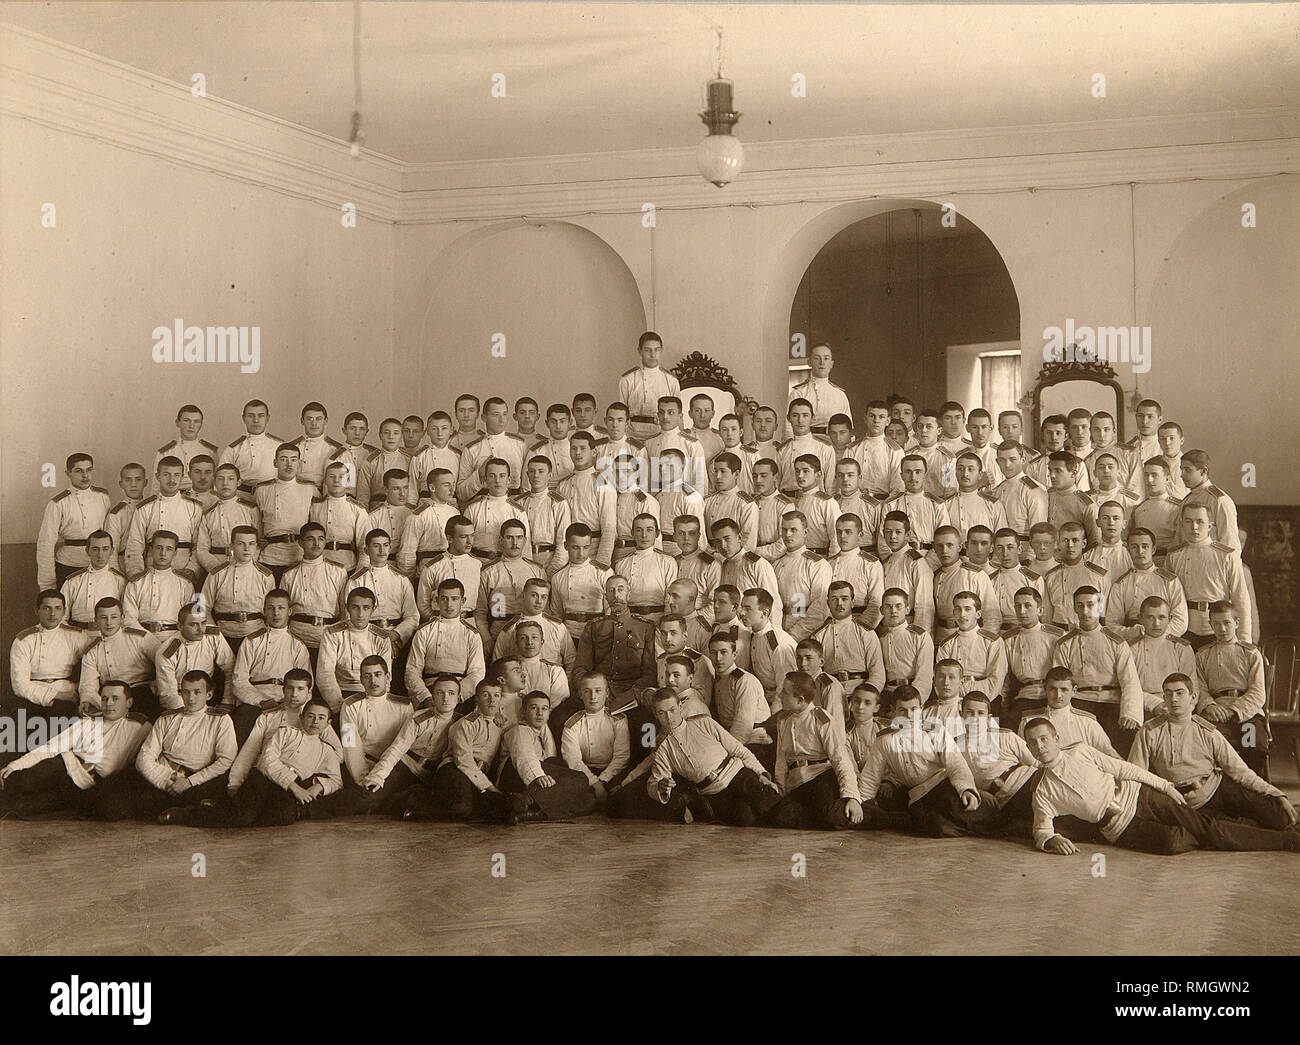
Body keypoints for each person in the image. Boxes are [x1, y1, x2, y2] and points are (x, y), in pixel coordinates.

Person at [1025, 716, 1297, 855]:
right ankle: (1232, 830)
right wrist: (1052, 840)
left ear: (1056, 738)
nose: (1040, 746)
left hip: (1142, 796)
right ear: (1028, 747)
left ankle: (1285, 841)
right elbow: (1041, 829)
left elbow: (1126, 769)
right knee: (1172, 843)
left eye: (1044, 739)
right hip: (1120, 826)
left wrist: (1165, 786)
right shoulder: (1043, 791)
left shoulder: (1080, 751)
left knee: (1208, 830)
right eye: (1033, 742)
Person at [1130, 672, 1296, 832]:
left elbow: (1239, 771)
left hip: (1218, 787)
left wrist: (1276, 794)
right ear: (1164, 698)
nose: (1174, 699)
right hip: (1187, 801)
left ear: (1193, 698)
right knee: (1222, 831)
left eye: (1180, 693)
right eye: (1168, 694)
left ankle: (1244, 823)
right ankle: (1240, 825)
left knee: (1280, 816)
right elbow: (1136, 773)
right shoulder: (1149, 731)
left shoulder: (1206, 730)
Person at [89, 670, 236, 823]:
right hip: (161, 776)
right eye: (186, 692)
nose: (191, 698)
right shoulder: (167, 718)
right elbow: (144, 757)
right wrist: (166, 779)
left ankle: (182, 810)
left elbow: (225, 760)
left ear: (209, 695)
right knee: (107, 805)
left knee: (211, 802)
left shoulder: (220, 720)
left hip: (195, 779)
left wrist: (189, 782)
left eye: (197, 692)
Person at [182, 696, 342, 827]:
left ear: (328, 723)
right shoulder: (285, 732)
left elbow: (336, 780)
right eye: (310, 716)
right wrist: (294, 787)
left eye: (321, 718)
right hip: (263, 779)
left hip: (286, 790)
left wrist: (318, 787)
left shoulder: (327, 751)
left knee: (283, 817)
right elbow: (267, 760)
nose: (315, 722)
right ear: (301, 717)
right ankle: (189, 814)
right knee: (242, 817)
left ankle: (224, 809)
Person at [0, 680, 149, 818]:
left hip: (85, 784)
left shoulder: (141, 726)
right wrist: (15, 765)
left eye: (115, 698)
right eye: (104, 698)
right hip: (64, 764)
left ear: (129, 702)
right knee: (22, 781)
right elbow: (51, 747)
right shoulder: (88, 722)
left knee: (21, 808)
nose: (108, 703)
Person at [852, 686, 980, 837]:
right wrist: (860, 804)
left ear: (921, 708)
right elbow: (870, 777)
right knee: (936, 827)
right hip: (917, 795)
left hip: (942, 785)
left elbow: (956, 763)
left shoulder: (935, 731)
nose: (909, 715)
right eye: (902, 710)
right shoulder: (884, 740)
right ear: (893, 711)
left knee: (963, 810)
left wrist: (966, 789)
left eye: (914, 709)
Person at [643, 687, 781, 826]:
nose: (669, 717)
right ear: (655, 715)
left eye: (672, 710)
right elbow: (653, 783)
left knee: (770, 805)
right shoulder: (662, 749)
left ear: (680, 706)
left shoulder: (704, 723)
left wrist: (761, 773)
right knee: (745, 818)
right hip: (714, 793)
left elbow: (739, 750)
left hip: (738, 775)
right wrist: (661, 786)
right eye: (662, 713)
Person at [767, 671, 862, 829]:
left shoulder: (821, 719)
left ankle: (874, 815)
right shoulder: (783, 720)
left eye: (785, 692)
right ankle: (824, 817)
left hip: (821, 778)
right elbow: (781, 760)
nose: (779, 695)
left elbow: (840, 758)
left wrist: (852, 797)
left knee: (832, 817)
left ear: (800, 700)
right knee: (780, 817)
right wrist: (781, 791)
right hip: (798, 783)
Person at [1051, 586, 1144, 747]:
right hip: (1080, 702)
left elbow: (1130, 681)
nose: (1085, 611)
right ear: (1074, 608)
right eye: (1080, 606)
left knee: (1121, 747)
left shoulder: (1116, 642)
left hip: (1111, 702)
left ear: (1100, 607)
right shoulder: (1065, 644)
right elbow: (1059, 682)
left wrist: (1129, 713)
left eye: (1090, 605)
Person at [411, 679, 509, 822]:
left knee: (495, 809)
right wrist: (489, 787)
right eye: (485, 695)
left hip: (477, 774)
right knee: (462, 808)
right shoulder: (466, 723)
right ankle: (415, 797)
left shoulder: (501, 724)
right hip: (454, 770)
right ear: (476, 699)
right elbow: (463, 760)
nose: (491, 700)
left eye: (496, 695)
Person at [496, 692, 598, 824]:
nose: (539, 713)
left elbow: (550, 759)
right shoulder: (519, 730)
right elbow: (524, 756)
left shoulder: (542, 732)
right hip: (515, 776)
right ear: (523, 712)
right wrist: (537, 776)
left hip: (535, 778)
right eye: (534, 708)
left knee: (589, 800)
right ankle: (525, 799)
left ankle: (529, 813)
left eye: (544, 709)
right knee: (581, 778)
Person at [1194, 601, 1268, 777]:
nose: (1222, 628)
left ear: (1236, 623)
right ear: (1211, 625)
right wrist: (1210, 706)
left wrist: (1234, 711)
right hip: (1215, 713)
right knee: (1208, 743)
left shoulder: (1250, 653)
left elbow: (1257, 692)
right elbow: (1199, 688)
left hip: (1246, 714)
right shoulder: (1203, 655)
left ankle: (1252, 786)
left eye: (1227, 623)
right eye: (1217, 623)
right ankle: (1220, 788)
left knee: (1252, 744)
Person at [334, 656, 415, 813]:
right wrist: (362, 779)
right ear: (361, 680)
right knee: (367, 798)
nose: (373, 681)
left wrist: (382, 774)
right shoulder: (350, 705)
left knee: (370, 801)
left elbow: (403, 745)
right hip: (362, 765)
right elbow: (351, 745)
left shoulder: (404, 705)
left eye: (378, 674)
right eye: (367, 676)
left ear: (388, 677)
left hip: (392, 767)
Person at [230, 590, 311, 743]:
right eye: (271, 608)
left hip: (286, 699)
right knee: (244, 721)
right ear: (264, 610)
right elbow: (238, 680)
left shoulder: (298, 645)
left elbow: (307, 686)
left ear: (290, 611)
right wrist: (261, 701)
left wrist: (288, 702)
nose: (276, 613)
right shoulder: (251, 641)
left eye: (281, 608)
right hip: (255, 701)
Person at [957, 691, 1041, 838]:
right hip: (1002, 799)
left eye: (981, 713)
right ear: (961, 715)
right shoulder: (955, 746)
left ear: (989, 718)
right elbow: (956, 776)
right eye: (970, 713)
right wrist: (978, 791)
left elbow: (1036, 763)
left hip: (1027, 784)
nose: (975, 719)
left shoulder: (1006, 737)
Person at [1167, 504, 1251, 648]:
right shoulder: (1174, 556)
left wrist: (1244, 640)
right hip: (1185, 628)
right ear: (1181, 525)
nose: (1194, 527)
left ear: (1210, 526)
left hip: (1218, 629)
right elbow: (1167, 596)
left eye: (1200, 521)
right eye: (1188, 521)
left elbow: (1241, 598)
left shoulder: (1226, 555)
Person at [9, 591, 87, 725]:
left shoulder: (76, 636)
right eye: (46, 608)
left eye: (58, 608)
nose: (52, 614)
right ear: (37, 611)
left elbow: (92, 665)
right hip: (33, 694)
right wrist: (56, 695)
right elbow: (19, 685)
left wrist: (79, 692)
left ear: (64, 611)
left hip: (68, 691)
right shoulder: (24, 640)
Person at [36, 453, 112, 590]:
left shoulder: (103, 497)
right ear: (68, 473)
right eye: (79, 471)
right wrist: (47, 584)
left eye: (89, 470)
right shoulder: (58, 503)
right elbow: (45, 543)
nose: (85, 475)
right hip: (68, 564)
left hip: (98, 563)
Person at [319, 587, 400, 711]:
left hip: (371, 694)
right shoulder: (332, 633)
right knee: (348, 730)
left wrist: (377, 703)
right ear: (347, 608)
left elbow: (385, 678)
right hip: (341, 694)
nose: (360, 614)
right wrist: (338, 707)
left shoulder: (382, 638)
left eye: (366, 608)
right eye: (355, 607)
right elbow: (325, 674)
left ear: (373, 609)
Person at [124, 457, 203, 579]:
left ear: (182, 477)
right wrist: (137, 574)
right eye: (166, 475)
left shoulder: (194, 507)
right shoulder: (145, 508)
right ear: (158, 476)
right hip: (151, 573)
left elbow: (199, 546)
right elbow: (134, 545)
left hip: (183, 572)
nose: (172, 480)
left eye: (176, 475)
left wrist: (191, 571)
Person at [199, 525, 274, 653]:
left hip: (255, 635)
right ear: (231, 546)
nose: (246, 548)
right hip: (223, 635)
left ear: (256, 547)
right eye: (240, 544)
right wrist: (215, 635)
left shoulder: (265, 576)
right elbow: (202, 607)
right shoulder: (217, 574)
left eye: (251, 544)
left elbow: (272, 610)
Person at [560, 673, 631, 807]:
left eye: (598, 691)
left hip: (613, 772)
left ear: (607, 693)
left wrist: (603, 780)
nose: (593, 697)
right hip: (583, 773)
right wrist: (595, 784)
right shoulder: (572, 724)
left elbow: (622, 757)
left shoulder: (618, 720)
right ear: (580, 694)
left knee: (622, 796)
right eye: (587, 691)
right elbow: (573, 760)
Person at [1015, 666, 1119, 756]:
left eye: (1064, 690)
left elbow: (1109, 755)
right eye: (1052, 689)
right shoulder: (1028, 721)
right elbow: (1022, 755)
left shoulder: (1087, 722)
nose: (1058, 695)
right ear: (1045, 689)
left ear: (1073, 691)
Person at [78, 597, 156, 716]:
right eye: (103, 618)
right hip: (110, 697)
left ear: (122, 618)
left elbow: (164, 663)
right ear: (95, 620)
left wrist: (157, 684)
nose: (109, 622)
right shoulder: (92, 651)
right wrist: (88, 699)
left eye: (114, 617)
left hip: (141, 692)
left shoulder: (139, 638)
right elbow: (88, 683)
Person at [1002, 588, 1065, 730]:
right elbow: (1004, 678)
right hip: (1025, 696)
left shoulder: (1056, 636)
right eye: (1018, 606)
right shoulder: (1009, 639)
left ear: (1040, 610)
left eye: (1027, 605)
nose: (1022, 611)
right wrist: (1004, 706)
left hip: (1052, 696)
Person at [121, 531, 194, 652]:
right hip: (141, 640)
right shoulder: (136, 583)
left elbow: (189, 619)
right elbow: (129, 620)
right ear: (151, 550)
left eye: (169, 549)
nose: (163, 553)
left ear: (175, 553)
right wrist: (148, 640)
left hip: (175, 641)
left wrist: (173, 643)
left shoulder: (185, 584)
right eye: (159, 548)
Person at [253, 444, 316, 584]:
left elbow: (315, 522)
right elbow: (256, 521)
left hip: (298, 555)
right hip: (270, 557)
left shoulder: (309, 489)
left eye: (294, 460)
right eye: (283, 459)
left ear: (299, 463)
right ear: (275, 463)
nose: (289, 464)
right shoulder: (262, 490)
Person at [1109, 528, 1188, 639]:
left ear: (1153, 549)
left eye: (1145, 546)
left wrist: (1156, 636)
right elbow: (1112, 624)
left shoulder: (1170, 581)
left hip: (1164, 641)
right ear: (1128, 550)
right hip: (1132, 641)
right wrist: (1131, 633)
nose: (1140, 551)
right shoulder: (1121, 584)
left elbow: (1181, 622)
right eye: (1134, 547)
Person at [154, 601, 235, 711]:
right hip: (180, 699)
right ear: (180, 626)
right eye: (193, 624)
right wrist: (188, 713)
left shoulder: (213, 636)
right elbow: (168, 693)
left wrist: (227, 701)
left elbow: (230, 668)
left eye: (203, 623)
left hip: (207, 696)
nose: (201, 629)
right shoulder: (167, 651)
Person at [281, 523, 348, 650]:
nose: (316, 544)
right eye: (310, 539)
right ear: (300, 543)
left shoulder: (338, 571)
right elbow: (284, 611)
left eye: (321, 539)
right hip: (297, 635)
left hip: (327, 634)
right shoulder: (289, 574)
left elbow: (344, 611)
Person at [1129, 596, 1200, 714]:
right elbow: (1129, 687)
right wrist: (1154, 704)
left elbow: (1192, 686)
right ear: (1140, 619)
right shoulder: (1131, 649)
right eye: (1150, 617)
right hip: (1143, 707)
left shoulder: (1181, 647)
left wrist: (1183, 710)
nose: (1156, 623)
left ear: (1170, 618)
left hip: (1179, 707)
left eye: (1161, 617)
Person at [771, 512, 832, 641]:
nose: (787, 535)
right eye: (784, 530)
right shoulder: (776, 563)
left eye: (793, 530)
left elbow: (820, 609)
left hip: (806, 634)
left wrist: (793, 636)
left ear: (805, 532)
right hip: (778, 629)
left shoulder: (817, 564)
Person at [932, 526, 999, 642]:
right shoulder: (935, 576)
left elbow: (992, 616)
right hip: (940, 638)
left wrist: (983, 643)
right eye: (939, 546)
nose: (944, 551)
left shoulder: (975, 575)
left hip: (969, 638)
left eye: (949, 545)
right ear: (934, 548)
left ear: (959, 547)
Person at [196, 464, 262, 576]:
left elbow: (259, 543)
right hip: (217, 566)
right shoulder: (208, 514)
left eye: (230, 479)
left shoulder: (250, 509)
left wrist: (247, 564)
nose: (225, 483)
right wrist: (216, 568)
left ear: (239, 482)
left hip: (246, 567)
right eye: (220, 479)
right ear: (214, 483)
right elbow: (202, 548)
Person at [1042, 522, 1110, 629]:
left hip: (1088, 631)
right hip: (1059, 632)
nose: (1070, 545)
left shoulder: (1098, 576)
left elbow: (1104, 617)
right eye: (1065, 540)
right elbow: (1047, 616)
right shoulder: (1050, 576)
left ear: (1084, 543)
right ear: (1058, 543)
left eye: (1075, 540)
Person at [416, 516, 482, 623]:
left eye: (472, 536)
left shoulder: (477, 564)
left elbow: (481, 604)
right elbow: (423, 604)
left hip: (469, 622)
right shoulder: (433, 567)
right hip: (440, 623)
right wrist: (437, 622)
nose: (470, 541)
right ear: (450, 538)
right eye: (463, 537)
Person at [512, 456, 571, 576]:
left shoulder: (558, 503)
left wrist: (551, 573)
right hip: (522, 558)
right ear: (527, 474)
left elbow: (562, 544)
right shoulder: (518, 502)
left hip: (549, 559)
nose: (536, 475)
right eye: (532, 471)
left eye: (541, 471)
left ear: (549, 475)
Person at [619, 331, 681, 441]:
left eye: (656, 350)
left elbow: (677, 414)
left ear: (661, 351)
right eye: (648, 350)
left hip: (661, 434)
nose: (653, 355)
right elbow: (621, 413)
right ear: (640, 351)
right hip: (633, 435)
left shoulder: (671, 380)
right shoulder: (627, 379)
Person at [59, 530, 127, 631]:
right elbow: (61, 618)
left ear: (112, 551)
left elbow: (126, 617)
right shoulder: (73, 581)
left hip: (109, 635)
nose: (100, 555)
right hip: (78, 634)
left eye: (105, 549)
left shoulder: (120, 581)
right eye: (95, 549)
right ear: (87, 551)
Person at [878, 513, 934, 632]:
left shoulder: (916, 562)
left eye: (898, 532)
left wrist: (919, 635)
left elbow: (924, 604)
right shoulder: (886, 562)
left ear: (907, 535)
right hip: (888, 626)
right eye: (888, 532)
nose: (892, 536)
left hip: (909, 625)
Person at [1179, 449, 1241, 554]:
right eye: (1182, 470)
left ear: (1203, 471)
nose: (1182, 475)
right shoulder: (1186, 500)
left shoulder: (1219, 500)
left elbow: (1230, 544)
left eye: (1188, 470)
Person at [220, 399, 283, 494]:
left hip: (272, 495)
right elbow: (221, 476)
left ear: (268, 418)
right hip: (242, 495)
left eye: (261, 416)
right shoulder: (234, 449)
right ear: (243, 418)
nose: (256, 420)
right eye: (250, 416)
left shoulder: (279, 446)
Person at [153, 405, 219, 494]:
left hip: (203, 497)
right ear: (177, 423)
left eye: (196, 422)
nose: (191, 426)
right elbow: (156, 485)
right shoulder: (166, 452)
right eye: (186, 421)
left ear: (201, 424)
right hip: (174, 498)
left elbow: (216, 482)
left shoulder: (210, 451)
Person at [775, 400, 836, 494]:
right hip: (787, 501)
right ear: (788, 418)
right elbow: (776, 483)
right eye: (795, 415)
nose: (800, 420)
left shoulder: (825, 448)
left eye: (805, 415)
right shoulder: (782, 450)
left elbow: (830, 486)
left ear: (812, 417)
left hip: (815, 502)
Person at [847, 400, 903, 500]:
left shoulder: (894, 451)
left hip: (882, 502)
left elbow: (898, 485)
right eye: (872, 416)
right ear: (865, 418)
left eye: (881, 417)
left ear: (888, 421)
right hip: (856, 501)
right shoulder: (853, 448)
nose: (876, 420)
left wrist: (888, 506)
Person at [704, 453, 758, 548]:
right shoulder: (708, 501)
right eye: (716, 471)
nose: (717, 477)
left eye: (723, 471)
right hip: (709, 554)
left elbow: (748, 544)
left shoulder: (746, 504)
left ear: (736, 474)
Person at [104, 463, 148, 573]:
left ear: (145, 482)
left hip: (151, 561)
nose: (133, 484)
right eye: (128, 480)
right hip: (124, 564)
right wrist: (116, 574)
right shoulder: (116, 514)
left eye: (138, 479)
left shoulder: (152, 508)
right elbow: (112, 550)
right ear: (121, 484)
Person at [289, 402, 343, 490]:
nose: (314, 423)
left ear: (326, 421)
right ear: (302, 421)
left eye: (318, 419)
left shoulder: (335, 450)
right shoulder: (292, 447)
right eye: (309, 419)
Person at [751, 459, 794, 559]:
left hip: (775, 560)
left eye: (764, 476)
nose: (758, 480)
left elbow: (783, 544)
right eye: (755, 476)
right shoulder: (752, 502)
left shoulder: (784, 504)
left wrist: (752, 550)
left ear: (775, 477)